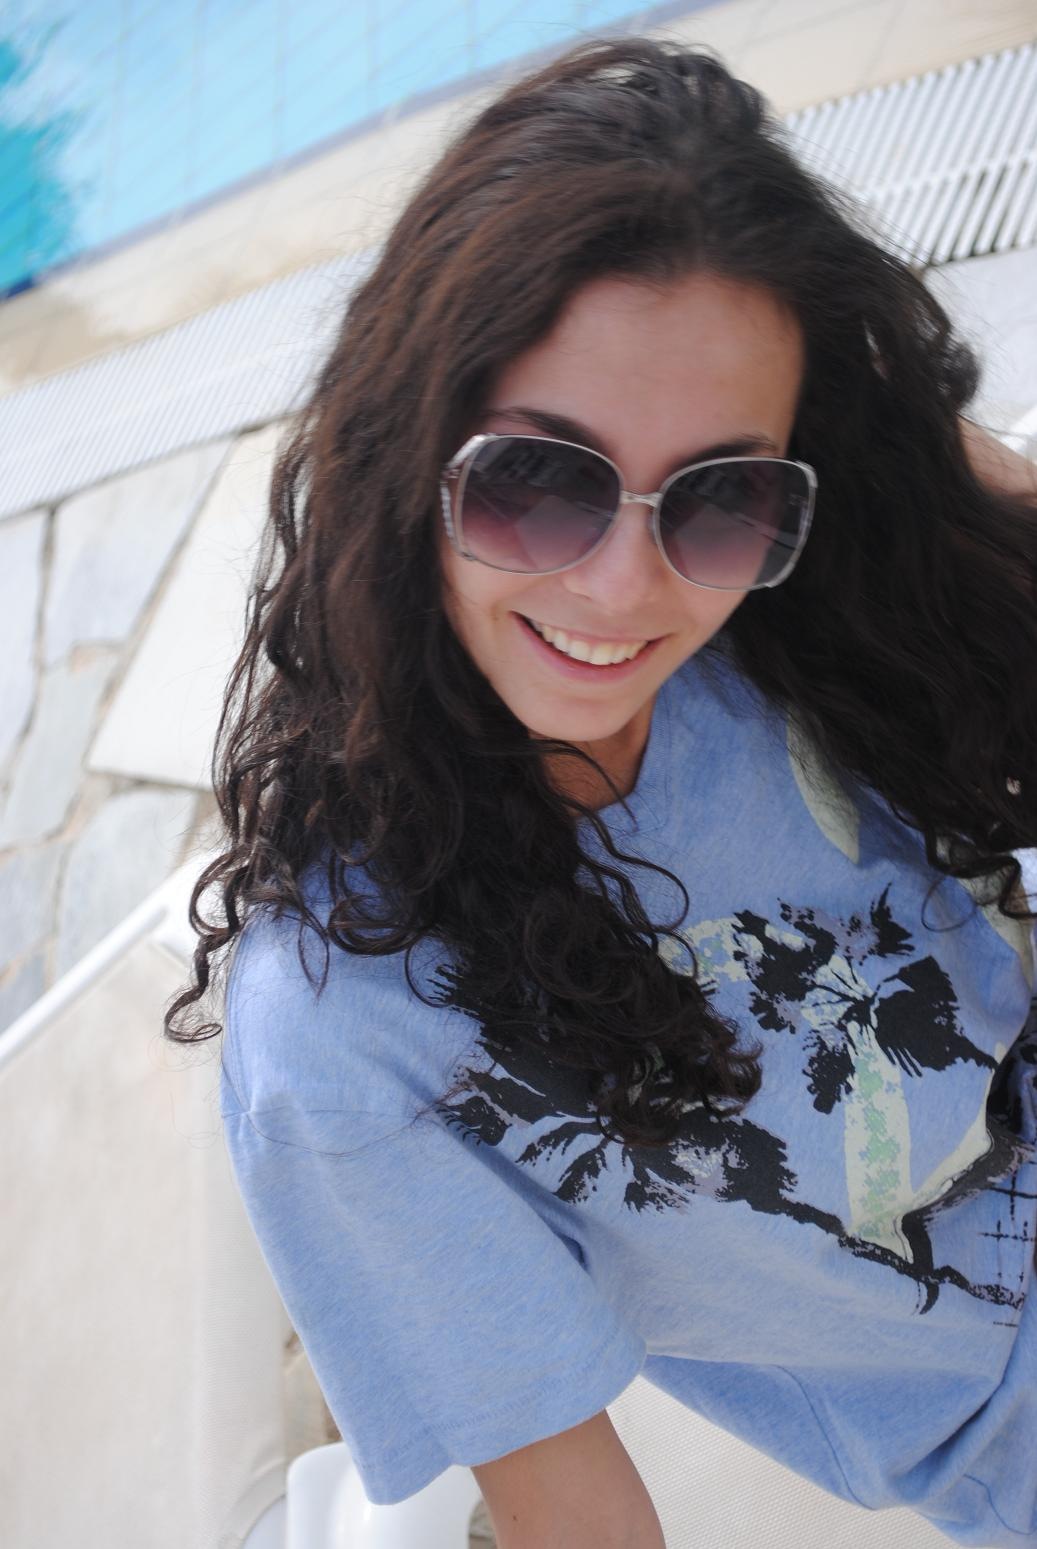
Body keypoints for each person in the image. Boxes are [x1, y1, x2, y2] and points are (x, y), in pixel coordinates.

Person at [165, 37, 1037, 1549]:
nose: (625, 589)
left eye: (720, 490)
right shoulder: (350, 1047)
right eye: (539, 482)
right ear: (405, 454)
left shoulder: (801, 594)